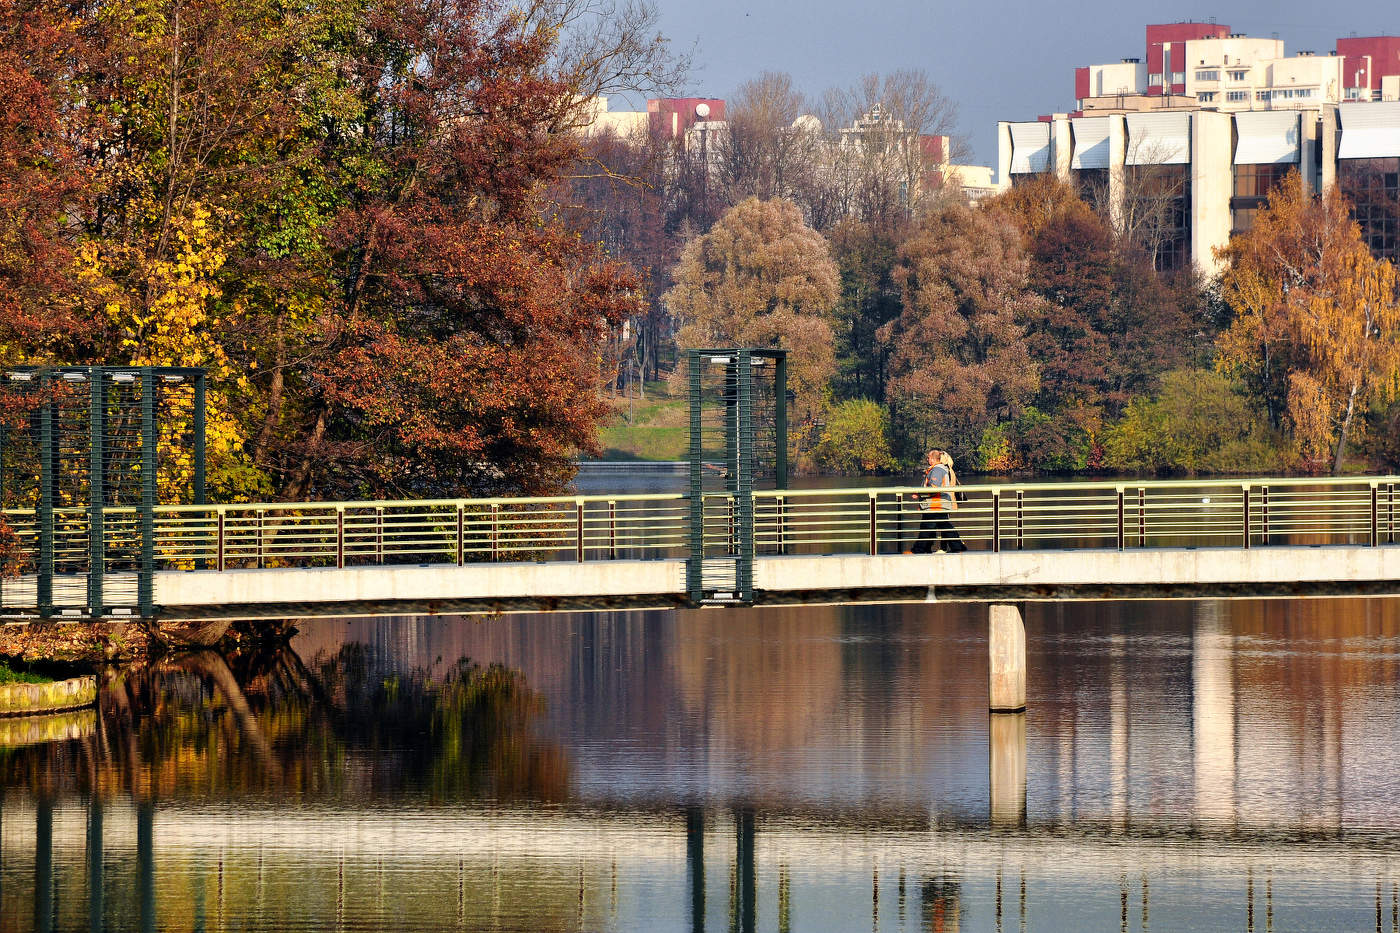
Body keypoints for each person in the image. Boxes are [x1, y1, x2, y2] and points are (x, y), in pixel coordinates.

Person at [908, 449, 967, 554]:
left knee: (927, 527)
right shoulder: (940, 469)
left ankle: (919, 549)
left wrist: (919, 494)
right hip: (937, 504)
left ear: (932, 459)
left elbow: (934, 488)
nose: (927, 459)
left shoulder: (937, 470)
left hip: (936, 504)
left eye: (928, 457)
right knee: (942, 525)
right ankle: (957, 546)